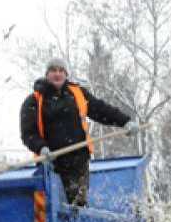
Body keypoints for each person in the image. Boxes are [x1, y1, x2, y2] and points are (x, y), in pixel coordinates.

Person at [20, 57, 139, 206]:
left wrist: (125, 121)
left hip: (78, 162)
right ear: (47, 74)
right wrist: (41, 148)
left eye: (61, 70)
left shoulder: (78, 94)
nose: (57, 74)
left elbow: (101, 109)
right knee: (51, 207)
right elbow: (28, 133)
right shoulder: (33, 101)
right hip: (49, 163)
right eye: (53, 70)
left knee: (77, 206)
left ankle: (77, 215)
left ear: (66, 74)